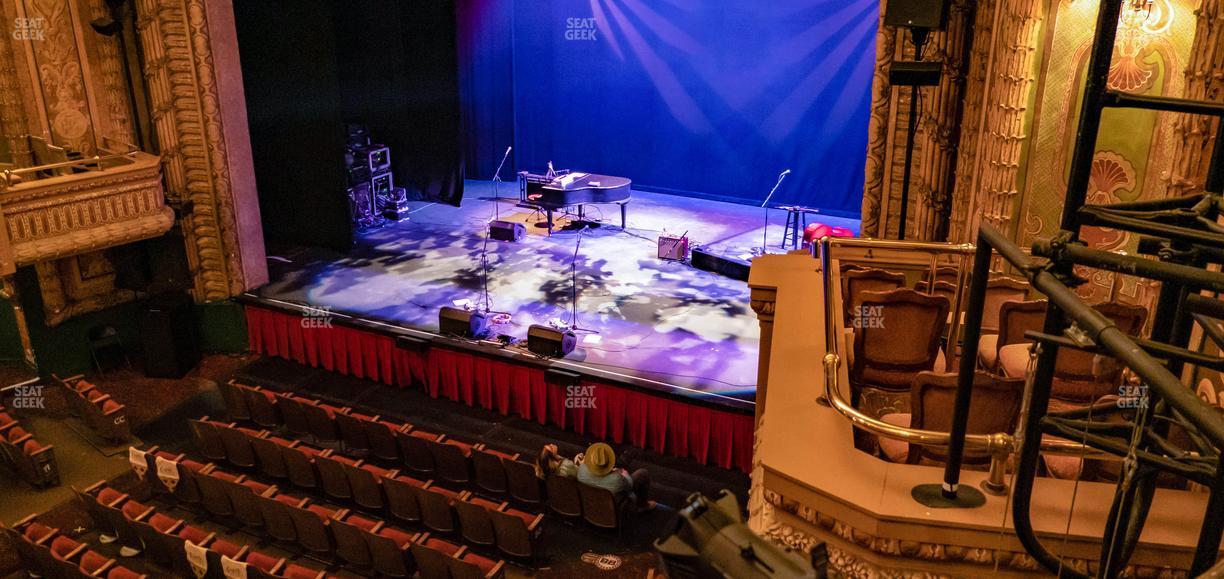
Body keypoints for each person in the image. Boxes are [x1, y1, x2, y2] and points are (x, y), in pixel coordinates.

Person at [576, 442, 655, 511]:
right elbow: (629, 486)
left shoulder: (581, 470)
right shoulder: (616, 479)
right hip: (612, 509)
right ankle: (642, 505)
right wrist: (625, 474)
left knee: (622, 463)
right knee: (642, 473)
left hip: (590, 506)